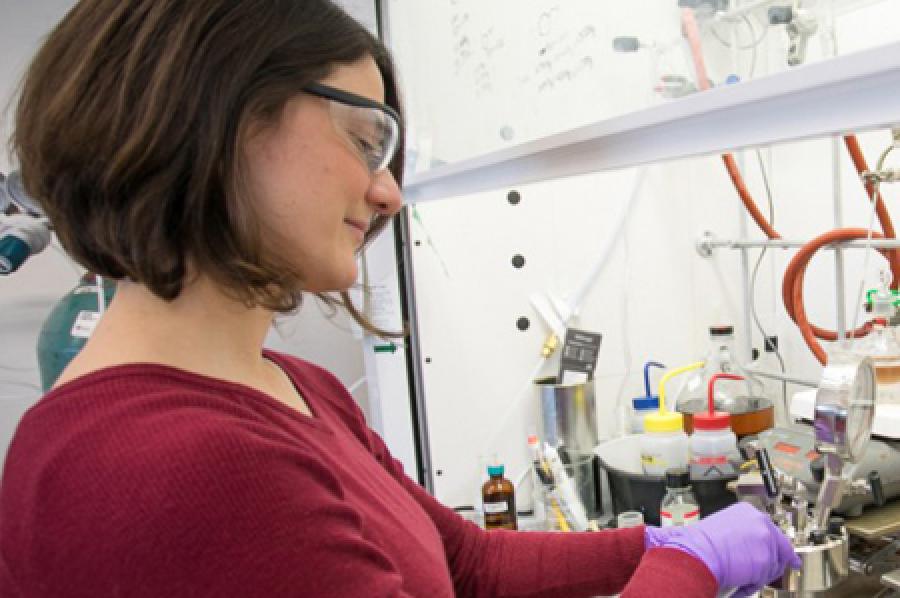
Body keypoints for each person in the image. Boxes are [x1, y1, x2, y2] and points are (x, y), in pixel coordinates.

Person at [0, 1, 800, 596]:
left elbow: (466, 559)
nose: (388, 195)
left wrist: (656, 545)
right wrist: (689, 572)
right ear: (211, 119)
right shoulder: (185, 464)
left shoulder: (288, 387)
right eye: (361, 142)